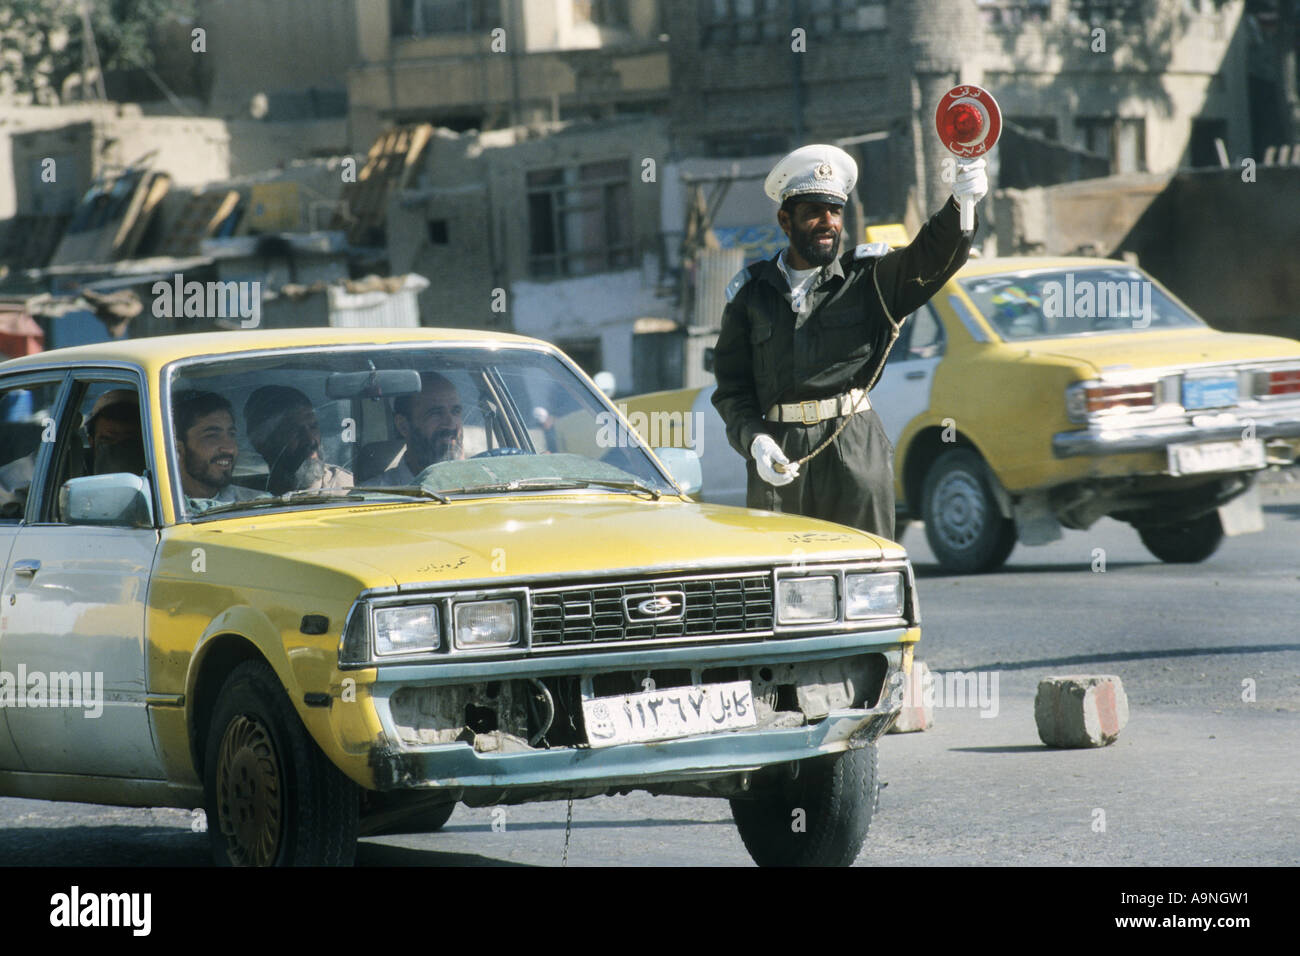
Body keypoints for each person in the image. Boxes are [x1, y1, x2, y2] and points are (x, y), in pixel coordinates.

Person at [711, 144, 987, 539]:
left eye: (835, 211)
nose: (827, 222)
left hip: (853, 445)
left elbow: (931, 256)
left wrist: (964, 200)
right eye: (813, 212)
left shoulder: (868, 279)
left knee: (866, 570)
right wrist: (755, 440)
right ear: (785, 221)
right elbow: (732, 390)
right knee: (785, 578)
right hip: (781, 451)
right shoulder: (751, 295)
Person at [243, 385, 352, 494]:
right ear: (262, 442)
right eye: (294, 430)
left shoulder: (347, 490)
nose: (311, 440)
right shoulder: (241, 499)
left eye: (313, 426)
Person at [171, 389, 263, 513]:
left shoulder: (260, 504)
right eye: (212, 436)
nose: (229, 448)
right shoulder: (154, 510)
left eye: (231, 434)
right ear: (178, 448)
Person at [372, 372, 466, 485]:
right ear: (403, 426)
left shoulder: (487, 487)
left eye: (456, 411)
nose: (451, 424)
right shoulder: (372, 499)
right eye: (435, 413)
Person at [85, 389, 145, 476]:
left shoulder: (162, 474)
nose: (119, 450)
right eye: (108, 440)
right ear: (91, 441)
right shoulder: (76, 474)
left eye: (129, 441)